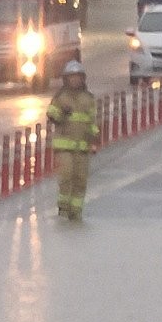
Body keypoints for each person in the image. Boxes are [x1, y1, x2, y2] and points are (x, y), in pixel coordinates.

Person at [46, 60, 99, 220]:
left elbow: (92, 122)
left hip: (82, 147)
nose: (75, 80)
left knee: (80, 179)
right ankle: (63, 208)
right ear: (66, 79)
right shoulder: (60, 97)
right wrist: (61, 113)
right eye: (72, 77)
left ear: (82, 79)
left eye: (77, 77)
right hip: (64, 147)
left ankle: (76, 211)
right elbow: (51, 115)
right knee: (66, 175)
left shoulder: (88, 99)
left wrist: (95, 139)